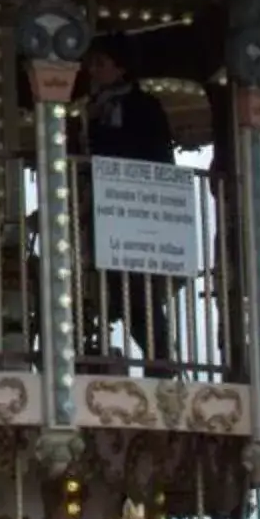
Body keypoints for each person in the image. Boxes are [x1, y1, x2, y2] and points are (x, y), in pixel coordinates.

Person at [78, 39, 177, 372]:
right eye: (93, 64)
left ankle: (159, 358)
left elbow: (150, 151)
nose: (94, 70)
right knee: (115, 288)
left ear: (121, 67)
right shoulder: (97, 106)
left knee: (136, 291)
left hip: (134, 206)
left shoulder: (140, 105)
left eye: (101, 63)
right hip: (108, 206)